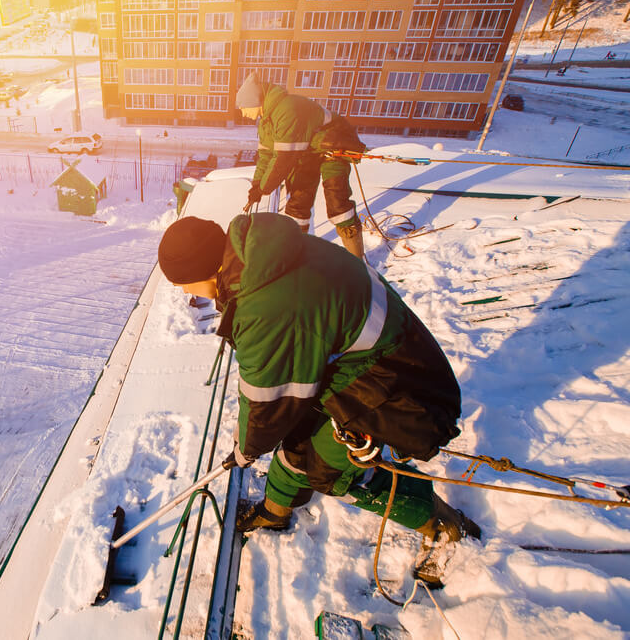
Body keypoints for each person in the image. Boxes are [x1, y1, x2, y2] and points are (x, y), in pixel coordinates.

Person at [157, 213, 481, 586]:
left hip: (397, 386)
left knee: (331, 472)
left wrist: (245, 449)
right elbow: (275, 391)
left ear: (205, 268)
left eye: (185, 283)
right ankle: (275, 512)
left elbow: (266, 402)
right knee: (296, 438)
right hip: (371, 359)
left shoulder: (266, 305)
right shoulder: (262, 254)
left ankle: (443, 524)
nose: (187, 292)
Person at [235, 72, 368, 259]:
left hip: (333, 143)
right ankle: (300, 258)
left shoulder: (287, 109)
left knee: (337, 203)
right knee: (297, 206)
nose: (242, 113)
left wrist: (264, 189)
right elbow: (266, 157)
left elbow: (283, 160)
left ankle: (358, 260)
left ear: (255, 101)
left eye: (243, 108)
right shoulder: (265, 122)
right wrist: (256, 185)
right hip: (307, 152)